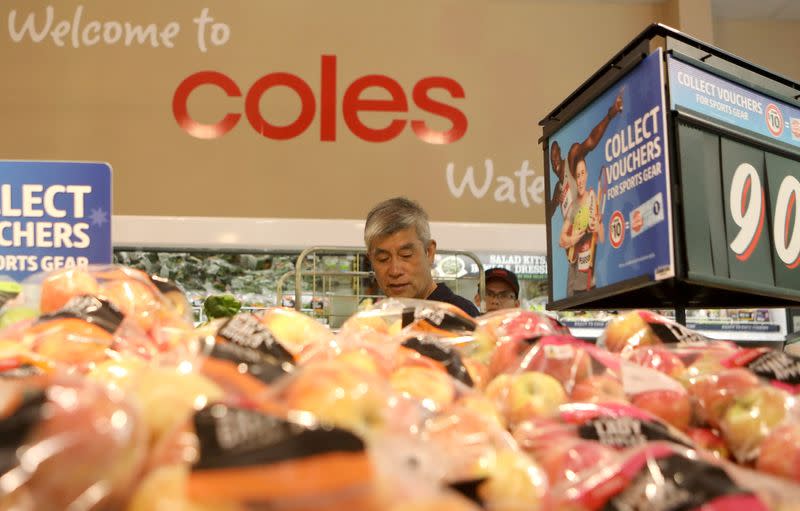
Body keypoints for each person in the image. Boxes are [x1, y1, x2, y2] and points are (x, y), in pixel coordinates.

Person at [364, 197, 479, 317]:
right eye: (383, 258)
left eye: (405, 255)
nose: (395, 271)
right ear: (371, 260)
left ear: (429, 252)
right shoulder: (376, 322)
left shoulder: (459, 316)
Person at [550, 91, 623, 220]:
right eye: (551, 160)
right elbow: (549, 212)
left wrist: (610, 115)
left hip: (588, 223)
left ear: (560, 154)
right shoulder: (558, 188)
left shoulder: (572, 157)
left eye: (555, 156)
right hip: (574, 235)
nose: (554, 161)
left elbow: (590, 141)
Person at [559, 158, 604, 296]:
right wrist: (573, 238)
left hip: (593, 281)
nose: (580, 179)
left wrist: (597, 228)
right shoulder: (572, 207)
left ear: (587, 174)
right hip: (575, 284)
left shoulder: (593, 197)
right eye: (577, 176)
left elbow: (602, 238)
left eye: (582, 174)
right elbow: (562, 240)